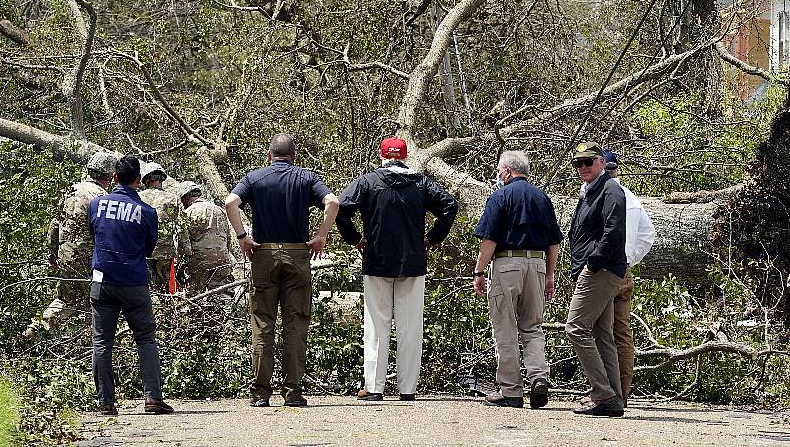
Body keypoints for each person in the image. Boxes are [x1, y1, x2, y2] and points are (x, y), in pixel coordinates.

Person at [336, 137, 458, 402]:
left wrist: (355, 238)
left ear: (382, 156)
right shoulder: (421, 183)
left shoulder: (369, 181)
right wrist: (432, 238)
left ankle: (375, 387)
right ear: (405, 157)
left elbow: (340, 209)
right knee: (410, 327)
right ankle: (407, 389)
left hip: (376, 259)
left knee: (377, 326)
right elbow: (450, 205)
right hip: (413, 262)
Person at [224, 133, 340, 408]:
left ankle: (260, 393)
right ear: (294, 156)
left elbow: (230, 203)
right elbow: (333, 202)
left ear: (268, 155)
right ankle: (293, 392)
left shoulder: (255, 177)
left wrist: (242, 237)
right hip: (298, 253)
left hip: (262, 254)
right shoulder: (306, 177)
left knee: (263, 324)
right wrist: (321, 235)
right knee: (296, 324)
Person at [472, 151, 562, 409]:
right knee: (532, 326)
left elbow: (489, 239)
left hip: (507, 263)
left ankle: (511, 390)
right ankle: (538, 378)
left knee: (505, 327)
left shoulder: (500, 196)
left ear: (508, 171)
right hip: (537, 263)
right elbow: (554, 242)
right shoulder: (542, 198)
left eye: (499, 171)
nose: (498, 176)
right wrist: (549, 275)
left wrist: (479, 271)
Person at [88, 153, 173, 416]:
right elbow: (149, 248)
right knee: (146, 339)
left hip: (102, 281)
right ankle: (152, 398)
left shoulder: (96, 205)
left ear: (114, 177)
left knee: (102, 342)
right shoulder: (147, 212)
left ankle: (106, 402)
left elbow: (95, 235)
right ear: (138, 180)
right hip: (134, 282)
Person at [23, 152, 118, 342]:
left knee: (65, 301)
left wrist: (52, 254)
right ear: (108, 176)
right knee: (97, 303)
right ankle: (90, 349)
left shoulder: (70, 190)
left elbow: (55, 224)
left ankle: (34, 332)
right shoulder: (104, 198)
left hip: (66, 256)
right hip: (92, 260)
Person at [565, 141, 628, 417]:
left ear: (602, 162)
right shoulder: (590, 191)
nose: (583, 168)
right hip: (592, 269)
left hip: (600, 271)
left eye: (588, 162)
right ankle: (613, 398)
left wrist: (593, 263)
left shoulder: (611, 189)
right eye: (578, 163)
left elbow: (613, 232)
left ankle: (602, 394)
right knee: (603, 335)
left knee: (575, 328)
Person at [603, 148, 656, 406]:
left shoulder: (603, 196)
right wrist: (630, 259)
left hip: (605, 270)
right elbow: (648, 234)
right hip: (623, 270)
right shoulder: (632, 198)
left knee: (597, 330)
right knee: (621, 332)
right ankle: (621, 393)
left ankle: (605, 391)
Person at [139, 162, 191, 293]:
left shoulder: (138, 198)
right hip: (165, 252)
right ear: (162, 179)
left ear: (146, 179)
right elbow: (182, 228)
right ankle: (163, 312)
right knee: (164, 291)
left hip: (142, 252)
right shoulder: (173, 199)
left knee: (146, 289)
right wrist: (187, 252)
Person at [176, 181, 233, 295]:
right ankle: (225, 312)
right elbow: (228, 237)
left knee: (196, 296)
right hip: (222, 258)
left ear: (185, 197)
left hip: (199, 260)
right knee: (223, 294)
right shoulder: (219, 210)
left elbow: (184, 244)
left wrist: (180, 266)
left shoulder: (187, 213)